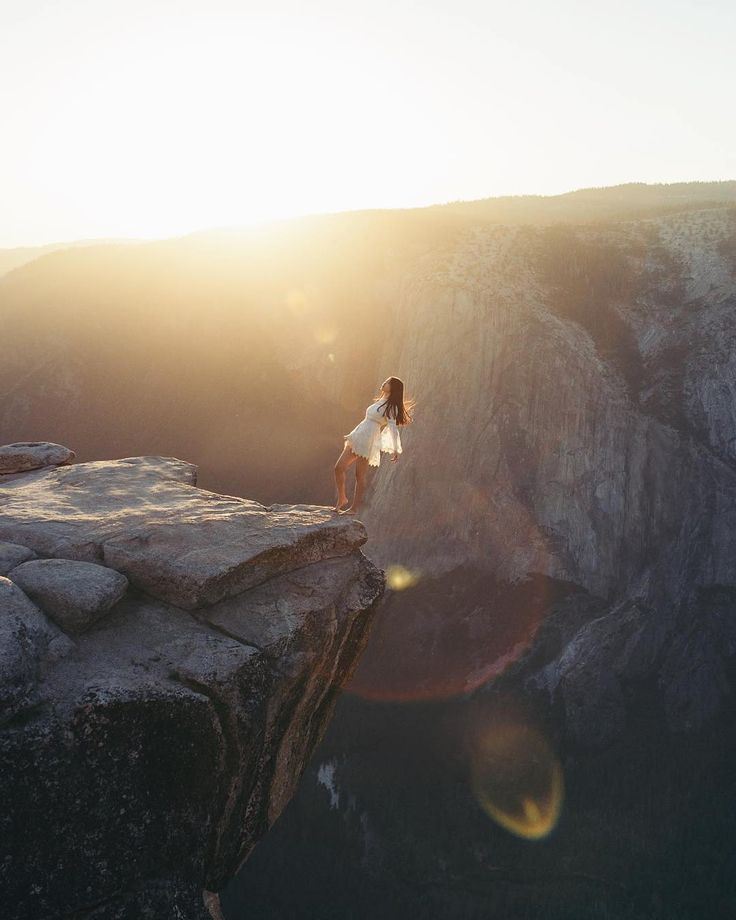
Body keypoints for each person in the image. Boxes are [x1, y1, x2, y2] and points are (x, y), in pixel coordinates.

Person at [333, 376, 414, 515]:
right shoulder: (380, 401)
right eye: (386, 381)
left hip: (368, 440)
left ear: (393, 388)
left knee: (360, 475)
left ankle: (353, 508)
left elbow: (393, 428)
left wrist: (395, 449)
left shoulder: (391, 407)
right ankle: (342, 498)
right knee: (339, 468)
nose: (384, 382)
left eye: (388, 382)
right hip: (358, 435)